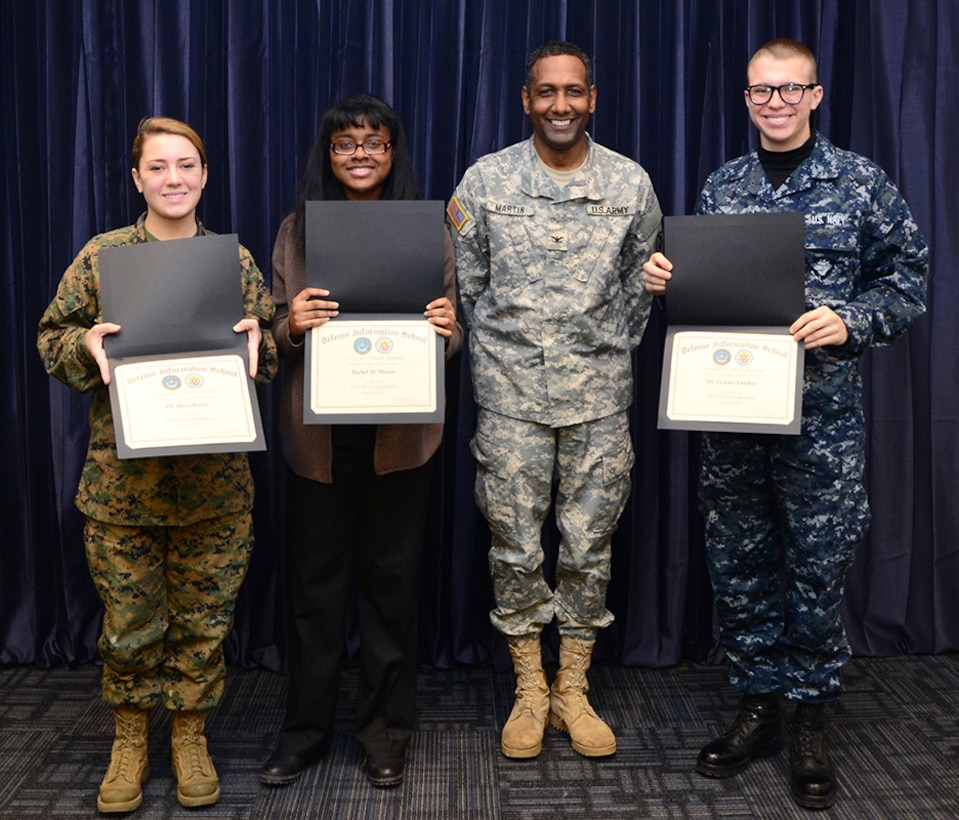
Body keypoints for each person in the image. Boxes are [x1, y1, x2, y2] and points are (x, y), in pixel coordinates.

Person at [643, 39, 928, 809]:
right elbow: (710, 298)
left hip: (820, 417)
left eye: (788, 90)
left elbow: (908, 279)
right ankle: (758, 705)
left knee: (815, 562)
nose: (774, 103)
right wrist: (667, 279)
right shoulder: (721, 185)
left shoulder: (859, 181)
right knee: (738, 562)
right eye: (760, 92)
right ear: (745, 98)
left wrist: (850, 318)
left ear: (815, 94)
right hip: (730, 410)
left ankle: (809, 713)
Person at [37, 116, 278, 813]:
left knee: (205, 622)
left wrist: (262, 341)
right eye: (158, 167)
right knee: (129, 626)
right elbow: (50, 338)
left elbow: (269, 355)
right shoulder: (104, 256)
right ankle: (131, 739)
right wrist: (86, 345)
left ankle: (191, 736)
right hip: (123, 488)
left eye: (186, 166)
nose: (173, 179)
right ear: (136, 178)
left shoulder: (232, 262)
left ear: (204, 175)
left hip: (215, 487)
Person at [447, 41, 662, 760]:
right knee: (512, 546)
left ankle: (572, 687)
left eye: (573, 92)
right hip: (509, 400)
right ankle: (529, 688)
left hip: (599, 399)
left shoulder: (629, 183)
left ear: (592, 99)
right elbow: (468, 289)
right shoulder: (484, 182)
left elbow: (642, 290)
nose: (560, 105)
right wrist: (508, 358)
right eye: (546, 92)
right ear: (525, 98)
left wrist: (596, 353)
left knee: (587, 548)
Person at [260, 93, 462, 789]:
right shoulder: (295, 231)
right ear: (328, 154)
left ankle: (385, 734)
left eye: (374, 142)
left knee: (391, 590)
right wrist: (293, 323)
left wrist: (445, 328)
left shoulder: (428, 228)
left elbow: (455, 326)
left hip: (399, 439)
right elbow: (271, 334)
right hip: (316, 441)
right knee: (315, 595)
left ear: (393, 152)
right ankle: (305, 732)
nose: (360, 154)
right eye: (345, 143)